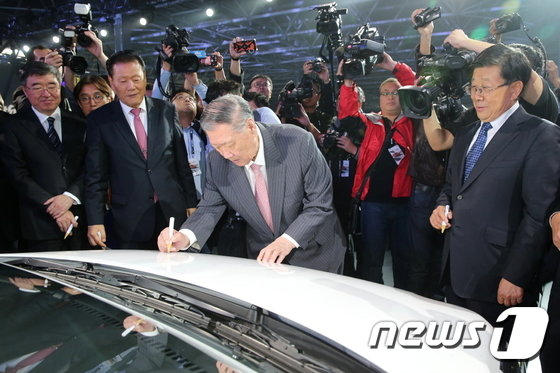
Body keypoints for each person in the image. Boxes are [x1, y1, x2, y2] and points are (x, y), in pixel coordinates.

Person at [429, 44, 560, 332]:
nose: (477, 96)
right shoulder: (465, 134)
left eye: (486, 88)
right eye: (473, 87)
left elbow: (538, 215)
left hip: (501, 280)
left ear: (514, 90)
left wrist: (517, 275)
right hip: (457, 273)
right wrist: (441, 206)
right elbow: (452, 187)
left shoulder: (540, 135)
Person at [157, 94, 346, 273]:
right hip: (263, 258)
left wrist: (287, 241)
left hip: (315, 252)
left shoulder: (297, 143)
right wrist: (185, 236)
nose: (226, 154)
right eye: (217, 146)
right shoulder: (217, 161)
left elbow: (319, 205)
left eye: (230, 144)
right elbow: (210, 207)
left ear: (249, 126)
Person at [85, 50, 197, 250]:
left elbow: (181, 161)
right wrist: (95, 220)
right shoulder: (100, 120)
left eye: (136, 79)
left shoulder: (166, 110)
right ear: (111, 82)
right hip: (129, 216)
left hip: (171, 211)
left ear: (145, 78)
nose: (131, 87)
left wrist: (191, 202)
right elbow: (95, 176)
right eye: (123, 81)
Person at [338, 53, 416, 288]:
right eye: (385, 93)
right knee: (371, 260)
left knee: (405, 260)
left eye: (395, 93)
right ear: (379, 98)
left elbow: (417, 84)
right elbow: (347, 113)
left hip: (405, 204)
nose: (390, 97)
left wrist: (394, 67)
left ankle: (405, 303)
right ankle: (373, 303)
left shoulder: (414, 121)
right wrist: (349, 82)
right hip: (372, 204)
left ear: (403, 97)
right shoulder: (369, 122)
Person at [0, 62, 87, 251]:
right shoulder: (13, 126)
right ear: (25, 90)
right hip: (38, 225)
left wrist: (70, 197)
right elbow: (18, 175)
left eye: (51, 86)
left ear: (60, 86)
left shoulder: (80, 123)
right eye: (37, 87)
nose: (46, 93)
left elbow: (90, 167)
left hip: (80, 221)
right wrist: (55, 209)